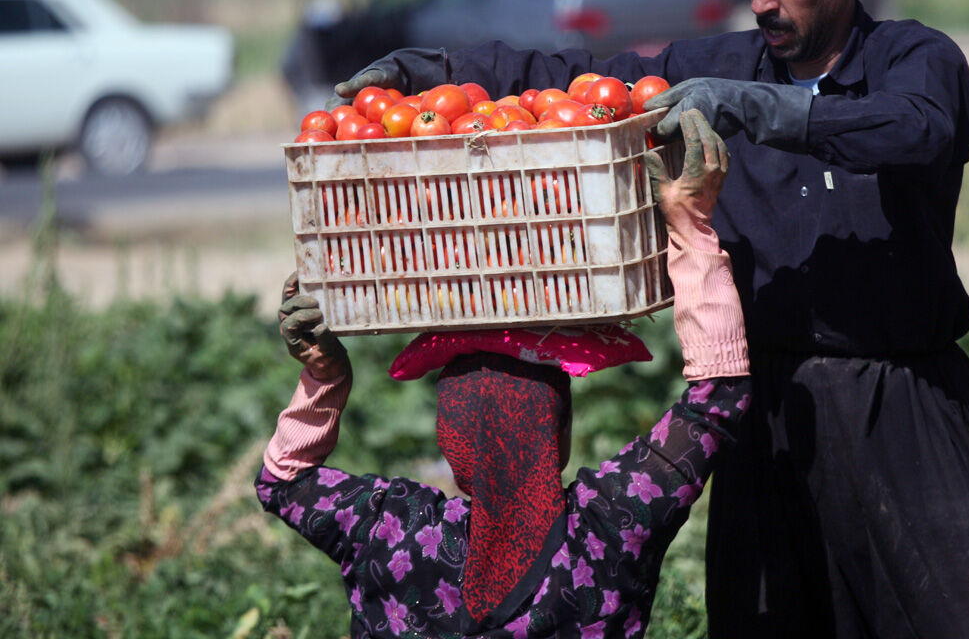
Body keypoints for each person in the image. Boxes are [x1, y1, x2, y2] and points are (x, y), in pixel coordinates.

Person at [327, 0, 969, 638]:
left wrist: (769, 111)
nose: (762, 0)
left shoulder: (916, 59)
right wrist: (438, 73)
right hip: (769, 408)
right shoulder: (716, 65)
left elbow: (918, 129)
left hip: (902, 402)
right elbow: (577, 77)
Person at [256, 111, 753, 638]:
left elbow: (282, 481)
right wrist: (688, 224)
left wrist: (326, 377)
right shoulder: (611, 524)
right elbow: (718, 399)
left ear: (451, 447)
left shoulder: (390, 530)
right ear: (558, 436)